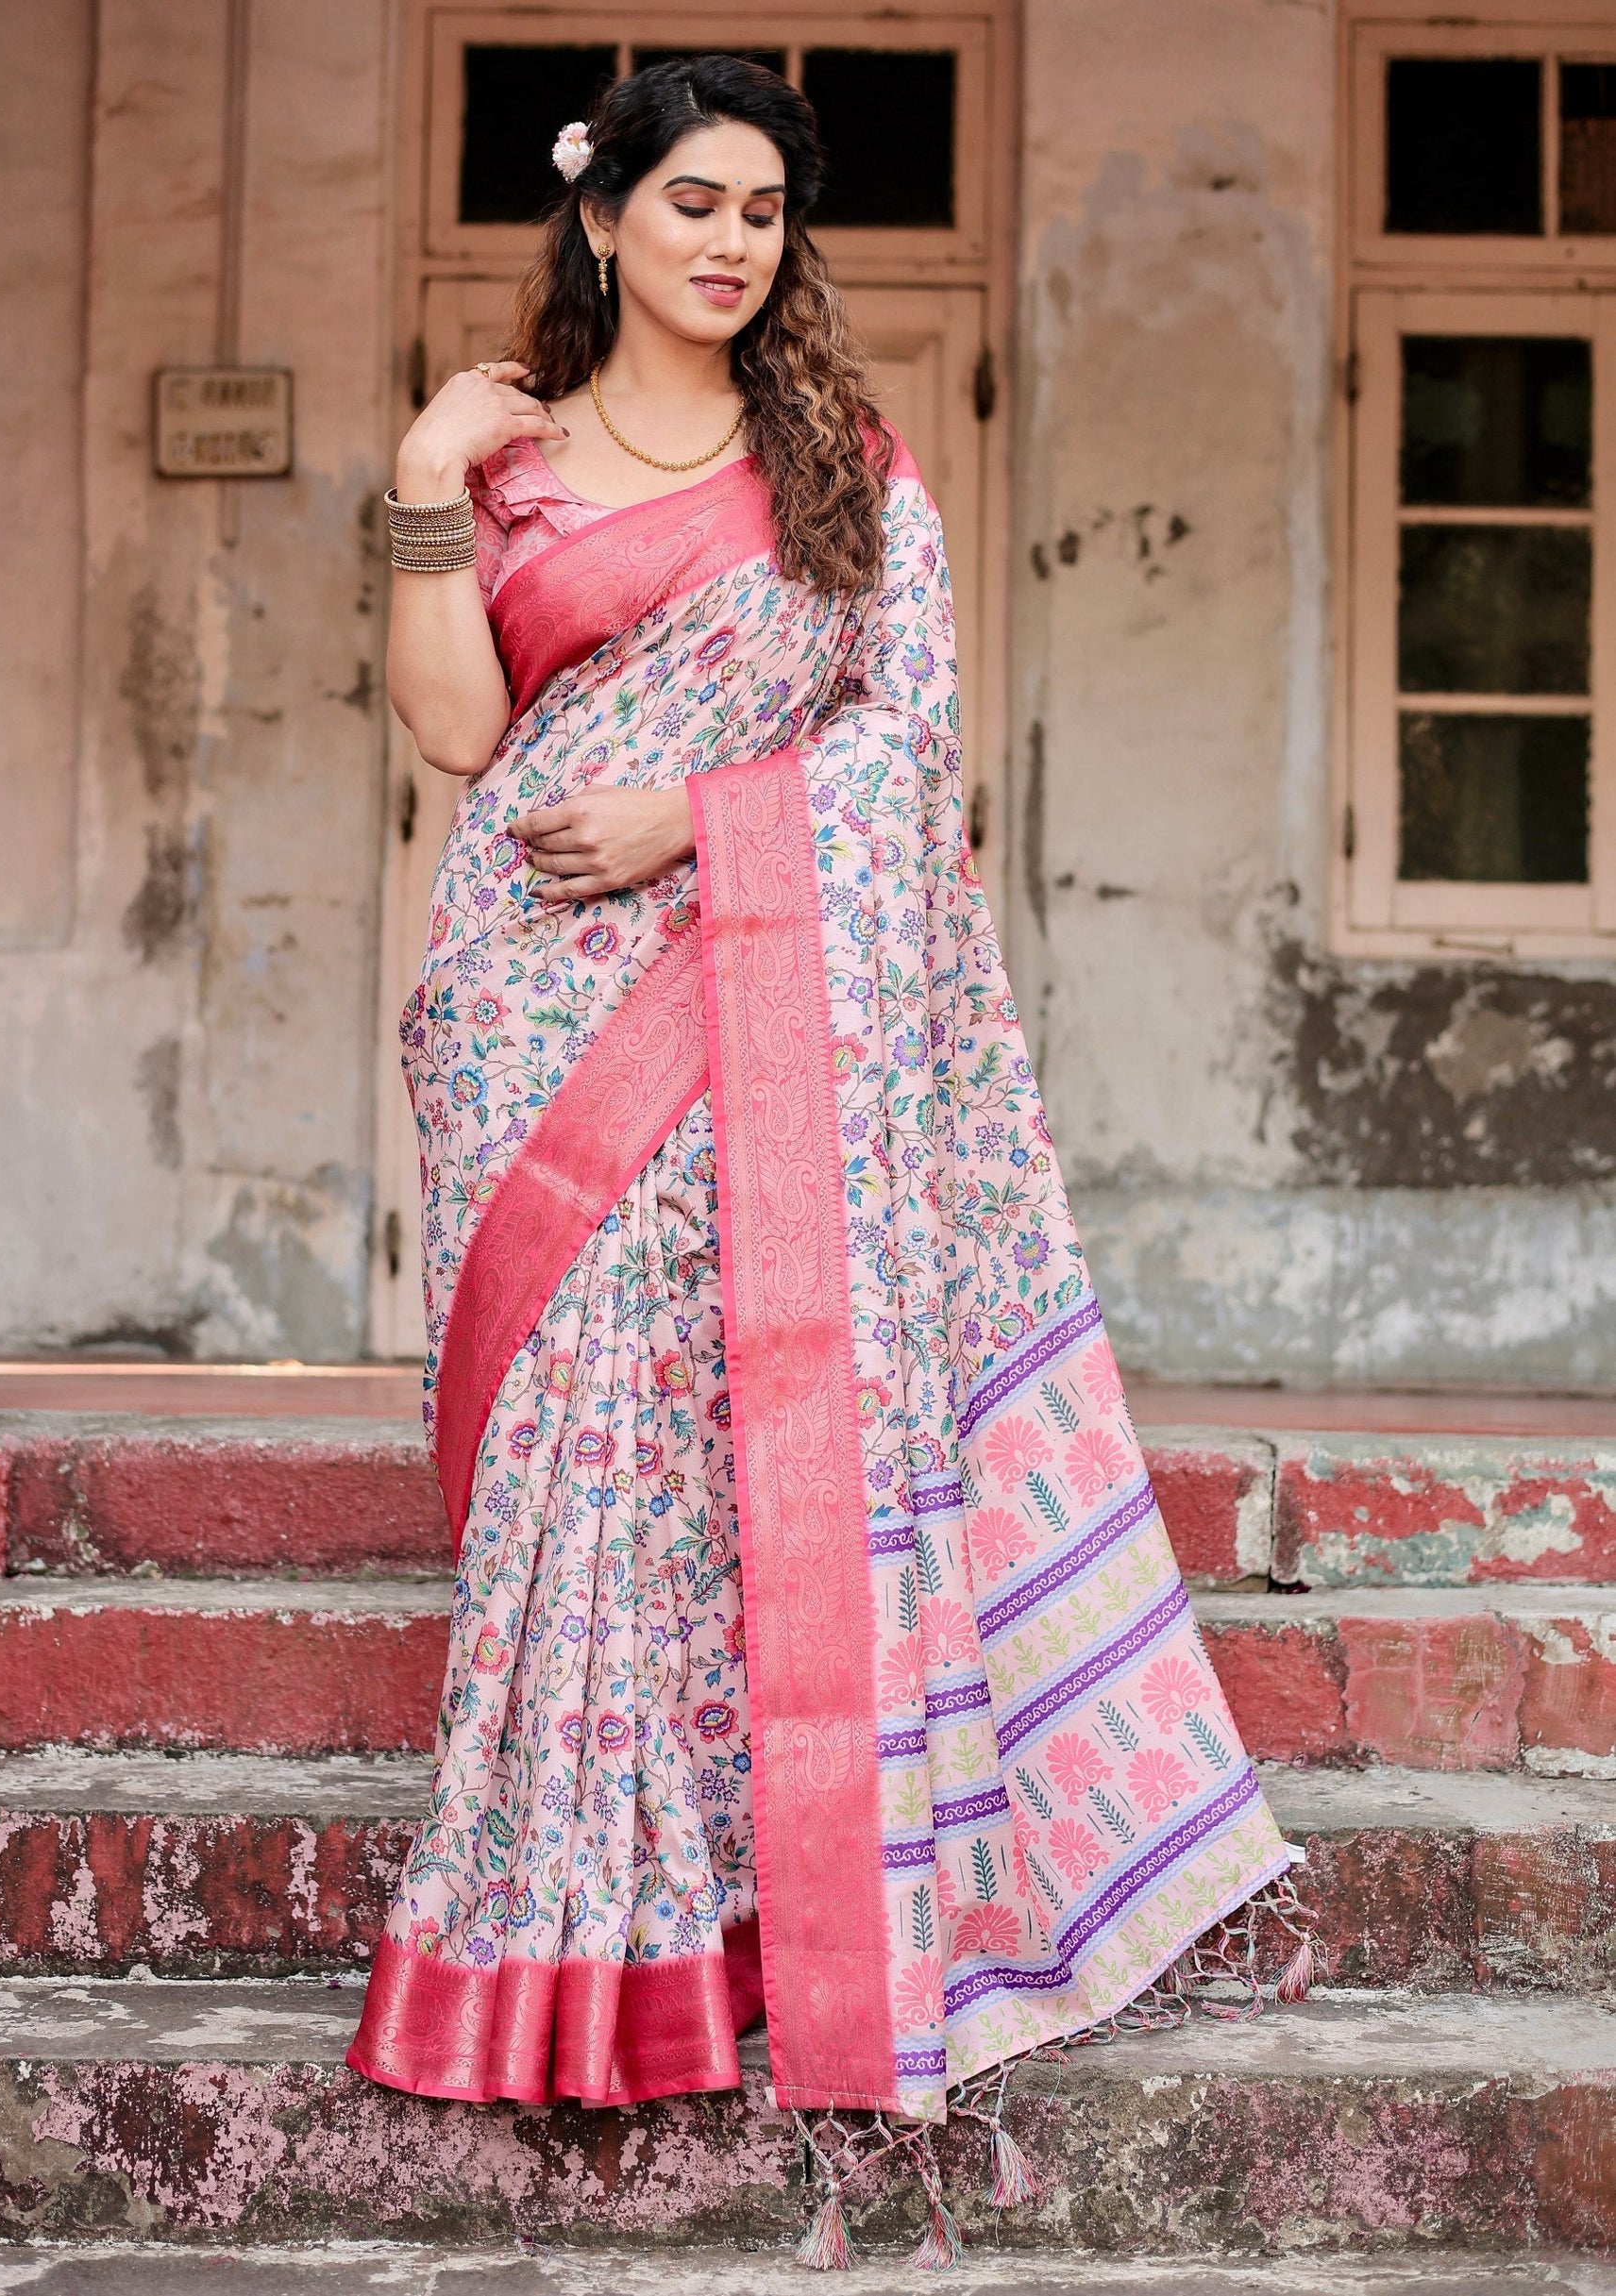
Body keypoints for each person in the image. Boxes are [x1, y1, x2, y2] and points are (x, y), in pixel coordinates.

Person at [348, 53, 1309, 2265]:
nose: (726, 240)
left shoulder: (844, 469)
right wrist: (417, 471)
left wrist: (706, 816)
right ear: (600, 221)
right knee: (572, 1455)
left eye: (762, 210)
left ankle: (722, 1928)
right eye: (691, 199)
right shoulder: (498, 466)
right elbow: (452, 727)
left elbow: (902, 749)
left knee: (707, 1459)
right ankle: (547, 1943)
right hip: (532, 999)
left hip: (747, 987)